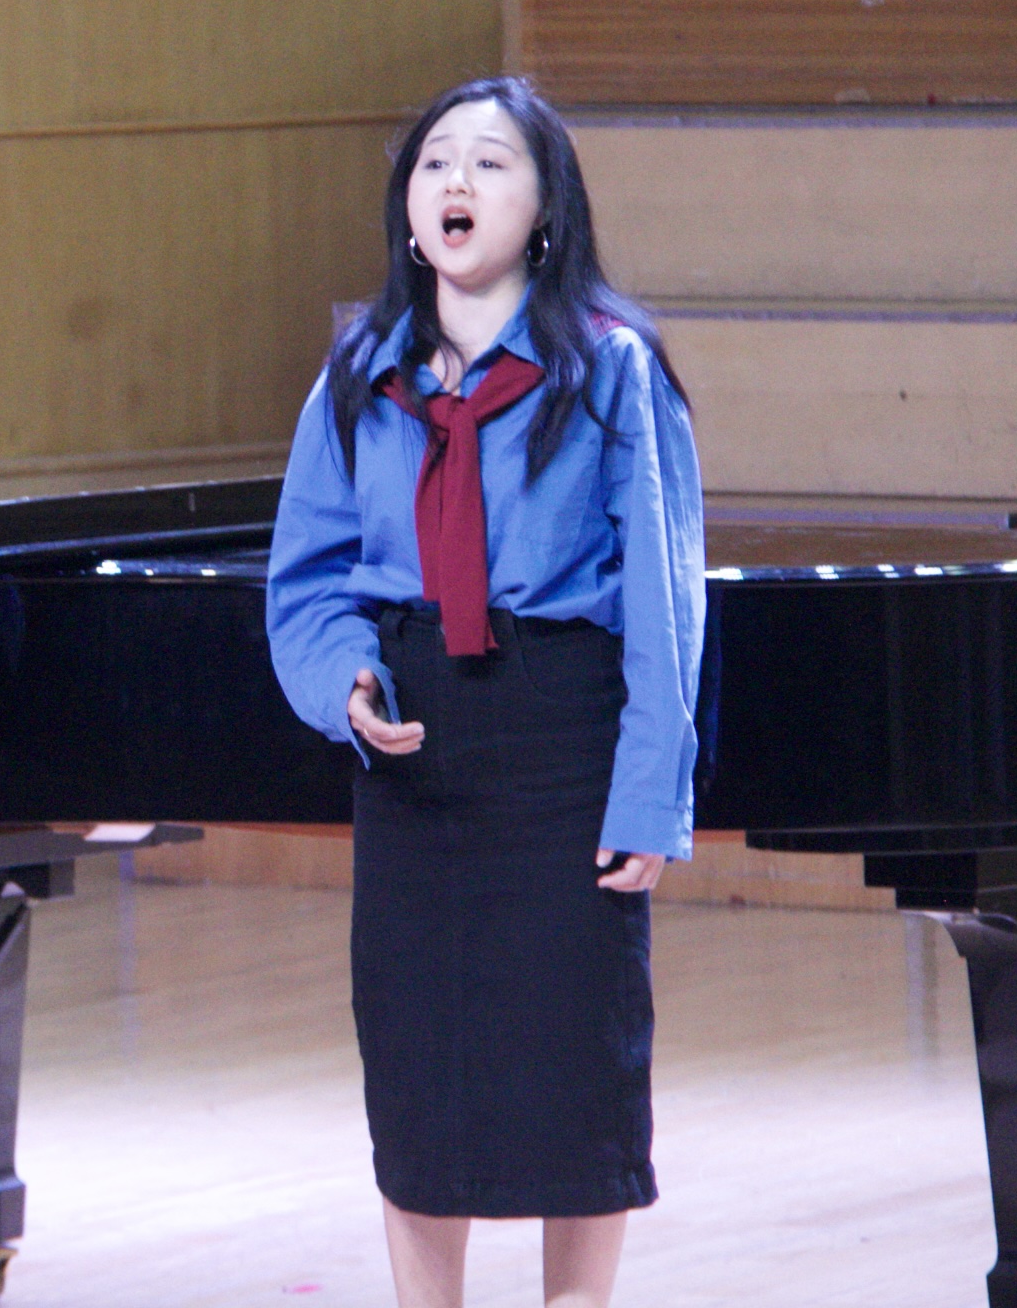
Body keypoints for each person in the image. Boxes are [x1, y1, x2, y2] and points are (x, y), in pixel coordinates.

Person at [264, 76, 704, 1308]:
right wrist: (344, 682)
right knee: (419, 1075)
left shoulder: (608, 370)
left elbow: (667, 604)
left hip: (563, 734)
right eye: (435, 163)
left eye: (492, 163)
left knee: (575, 1067)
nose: (456, 181)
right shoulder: (360, 376)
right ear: (410, 213)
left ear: (547, 207)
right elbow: (308, 579)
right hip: (414, 744)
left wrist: (648, 796)